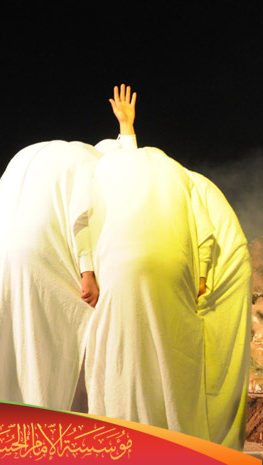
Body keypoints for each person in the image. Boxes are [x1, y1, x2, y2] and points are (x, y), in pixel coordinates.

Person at [85, 84, 216, 440]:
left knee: (120, 353)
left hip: (123, 268)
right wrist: (201, 278)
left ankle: (121, 435)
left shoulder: (104, 170)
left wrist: (87, 273)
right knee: (171, 357)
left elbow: (84, 221)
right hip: (176, 270)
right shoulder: (175, 171)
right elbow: (205, 233)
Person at [0, 136, 101, 409]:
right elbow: (81, 215)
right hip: (32, 251)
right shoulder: (92, 162)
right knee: (40, 353)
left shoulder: (31, 154)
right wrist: (88, 273)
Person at [187, 169, 251, 450]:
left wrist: (200, 279)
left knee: (215, 370)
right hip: (224, 270)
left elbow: (206, 235)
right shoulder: (185, 181)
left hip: (222, 276)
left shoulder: (179, 183)